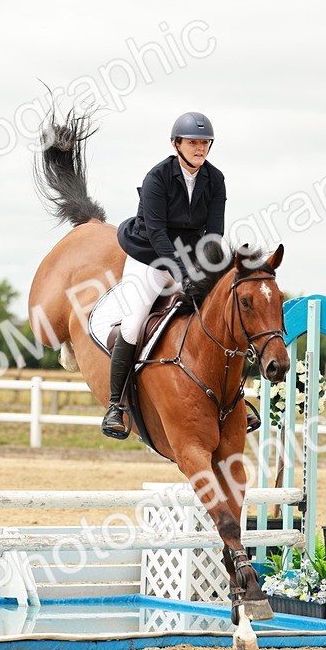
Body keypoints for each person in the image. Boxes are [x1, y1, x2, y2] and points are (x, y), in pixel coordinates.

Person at [101, 111, 227, 439]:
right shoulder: (158, 177)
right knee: (133, 324)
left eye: (205, 143)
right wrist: (183, 272)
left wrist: (210, 271)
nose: (200, 148)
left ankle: (230, 399)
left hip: (189, 259)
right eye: (194, 143)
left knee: (220, 315)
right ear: (177, 144)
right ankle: (116, 405)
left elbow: (213, 233)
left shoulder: (215, 179)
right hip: (149, 258)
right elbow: (157, 234)